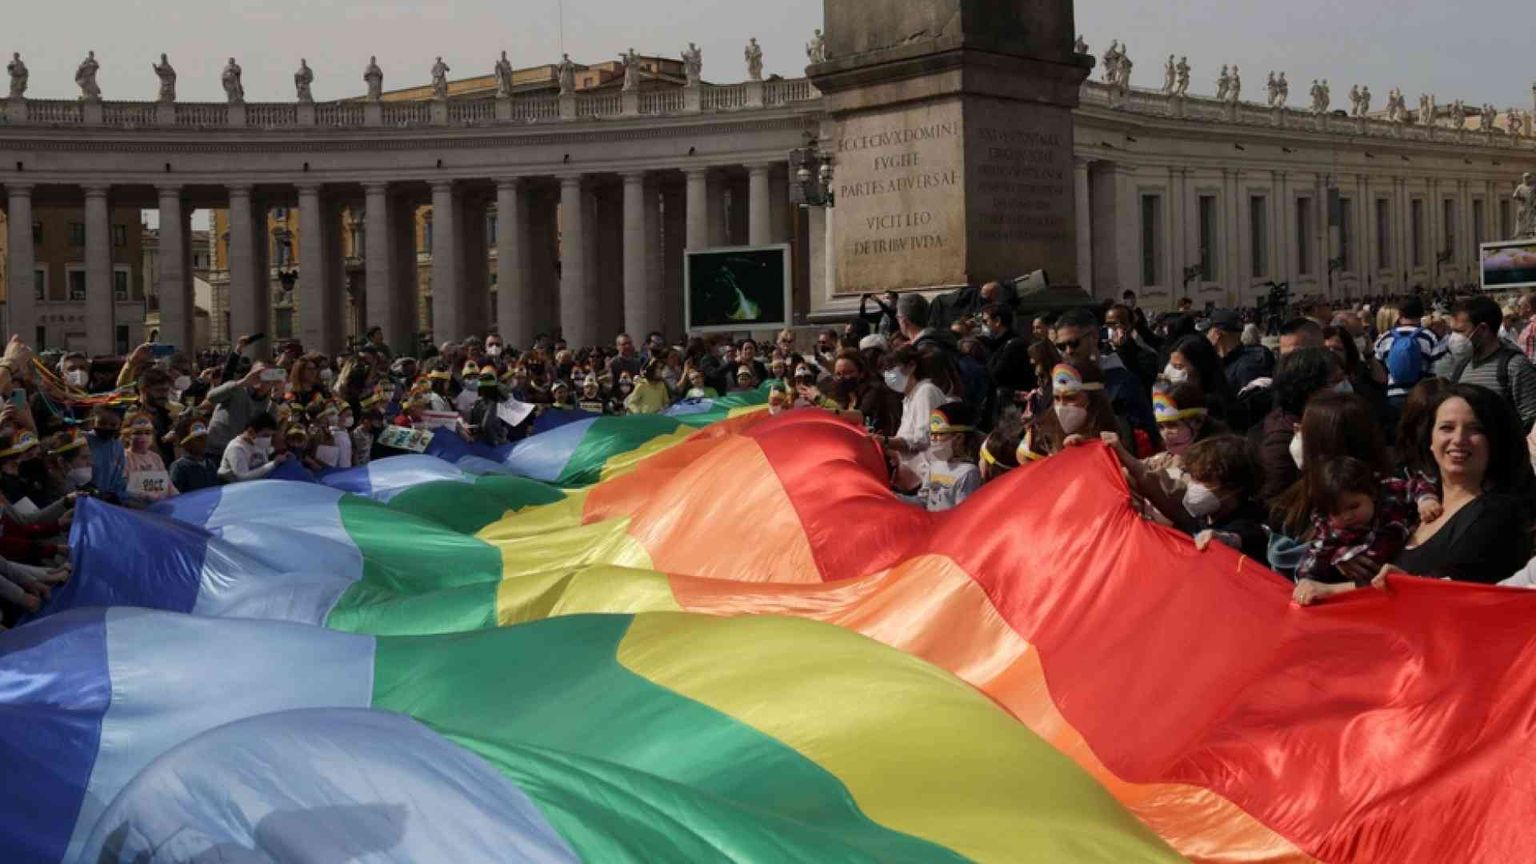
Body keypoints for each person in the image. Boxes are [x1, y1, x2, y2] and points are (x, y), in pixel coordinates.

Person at [1336, 385, 1534, 586]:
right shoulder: (1408, 505)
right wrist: (1344, 558)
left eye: (1476, 429)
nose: (1458, 439)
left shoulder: (1500, 514)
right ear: (1430, 439)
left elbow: (1462, 594)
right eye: (1447, 428)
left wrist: (1409, 585)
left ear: (1496, 441)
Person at [1290, 456, 1436, 605]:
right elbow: (1309, 566)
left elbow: (1415, 484)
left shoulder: (1390, 500)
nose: (1347, 517)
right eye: (1336, 512)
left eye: (1353, 507)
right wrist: (1308, 584)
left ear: (1371, 494)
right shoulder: (1331, 534)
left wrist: (1426, 501)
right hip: (1364, 595)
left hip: (1404, 579)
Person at [1052, 308, 1158, 452]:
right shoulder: (1059, 380)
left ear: (1095, 336)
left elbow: (1144, 436)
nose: (1068, 351)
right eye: (1061, 346)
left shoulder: (1123, 383)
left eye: (1074, 343)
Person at [1256, 347, 1343, 502]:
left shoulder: (1327, 419)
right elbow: (1276, 501)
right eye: (1335, 382)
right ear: (1309, 388)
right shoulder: (1281, 438)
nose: (1343, 387)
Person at [1447, 295, 1536, 430]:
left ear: (1482, 329)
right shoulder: (1462, 365)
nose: (1454, 338)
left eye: (1459, 331)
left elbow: (1531, 419)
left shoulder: (1515, 366)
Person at [1181, 435, 1269, 562]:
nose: (1194, 486)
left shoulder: (1252, 520)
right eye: (1193, 478)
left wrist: (1224, 539)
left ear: (1233, 487)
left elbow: (1245, 536)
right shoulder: (1203, 518)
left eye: (1204, 480)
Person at [875, 346, 950, 485]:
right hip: (912, 477)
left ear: (911, 366)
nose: (888, 376)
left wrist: (886, 441)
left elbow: (923, 439)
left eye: (891, 369)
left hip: (927, 478)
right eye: (884, 373)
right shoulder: (909, 397)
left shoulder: (925, 392)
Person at [1023, 360, 1118, 459]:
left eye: (1070, 398)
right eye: (1057, 398)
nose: (1061, 406)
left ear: (1093, 399)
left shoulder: (1116, 437)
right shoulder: (1041, 436)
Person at [1373, 297, 1440, 415]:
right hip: (1421, 395)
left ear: (1399, 313)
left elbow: (1377, 368)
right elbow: (1437, 368)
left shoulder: (1386, 337)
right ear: (1422, 313)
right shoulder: (1429, 336)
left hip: (1394, 397)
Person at [915, 402, 982, 511]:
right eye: (932, 433)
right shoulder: (935, 465)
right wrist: (896, 498)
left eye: (940, 434)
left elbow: (963, 513)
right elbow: (922, 501)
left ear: (959, 438)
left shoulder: (968, 473)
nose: (933, 438)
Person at [206, 361, 277, 458]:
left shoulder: (270, 403)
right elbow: (211, 398)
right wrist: (243, 382)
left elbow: (269, 430)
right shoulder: (236, 388)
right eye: (258, 374)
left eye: (268, 375)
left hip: (244, 454)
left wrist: (275, 398)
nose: (262, 379)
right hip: (217, 450)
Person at [1162, 335, 1232, 422]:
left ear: (1199, 368)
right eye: (1171, 365)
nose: (1171, 371)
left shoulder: (1210, 407)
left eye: (1179, 367)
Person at [121, 412, 177, 502]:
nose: (143, 436)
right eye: (138, 433)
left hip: (161, 508)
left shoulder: (155, 458)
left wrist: (180, 499)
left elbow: (168, 485)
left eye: (147, 433)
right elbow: (125, 489)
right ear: (127, 436)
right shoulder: (124, 458)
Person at [219, 413, 287, 483]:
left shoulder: (259, 444)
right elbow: (242, 478)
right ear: (251, 431)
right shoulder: (236, 448)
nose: (268, 439)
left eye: (270, 435)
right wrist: (273, 464)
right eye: (265, 435)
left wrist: (282, 455)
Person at [168, 418, 220, 493]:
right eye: (199, 439)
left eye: (205, 437)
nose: (204, 441)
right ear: (186, 443)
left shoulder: (210, 465)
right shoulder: (179, 467)